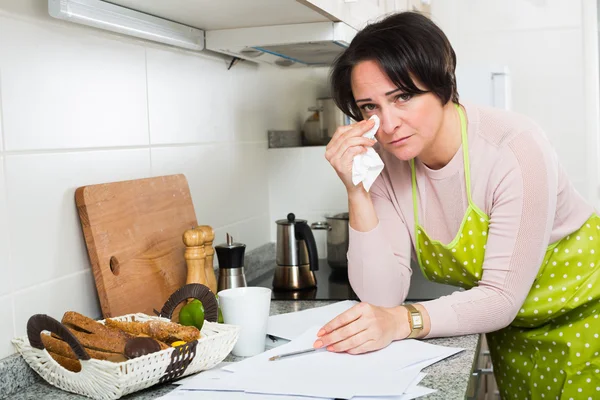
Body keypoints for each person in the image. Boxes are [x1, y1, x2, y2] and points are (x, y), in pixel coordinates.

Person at [316, 10, 600, 399]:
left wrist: (403, 321)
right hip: (511, 334)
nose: (389, 122)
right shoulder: (387, 163)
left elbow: (500, 297)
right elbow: (382, 299)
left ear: (444, 85)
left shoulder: (514, 149)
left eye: (403, 96)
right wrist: (356, 191)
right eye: (370, 107)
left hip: (587, 320)